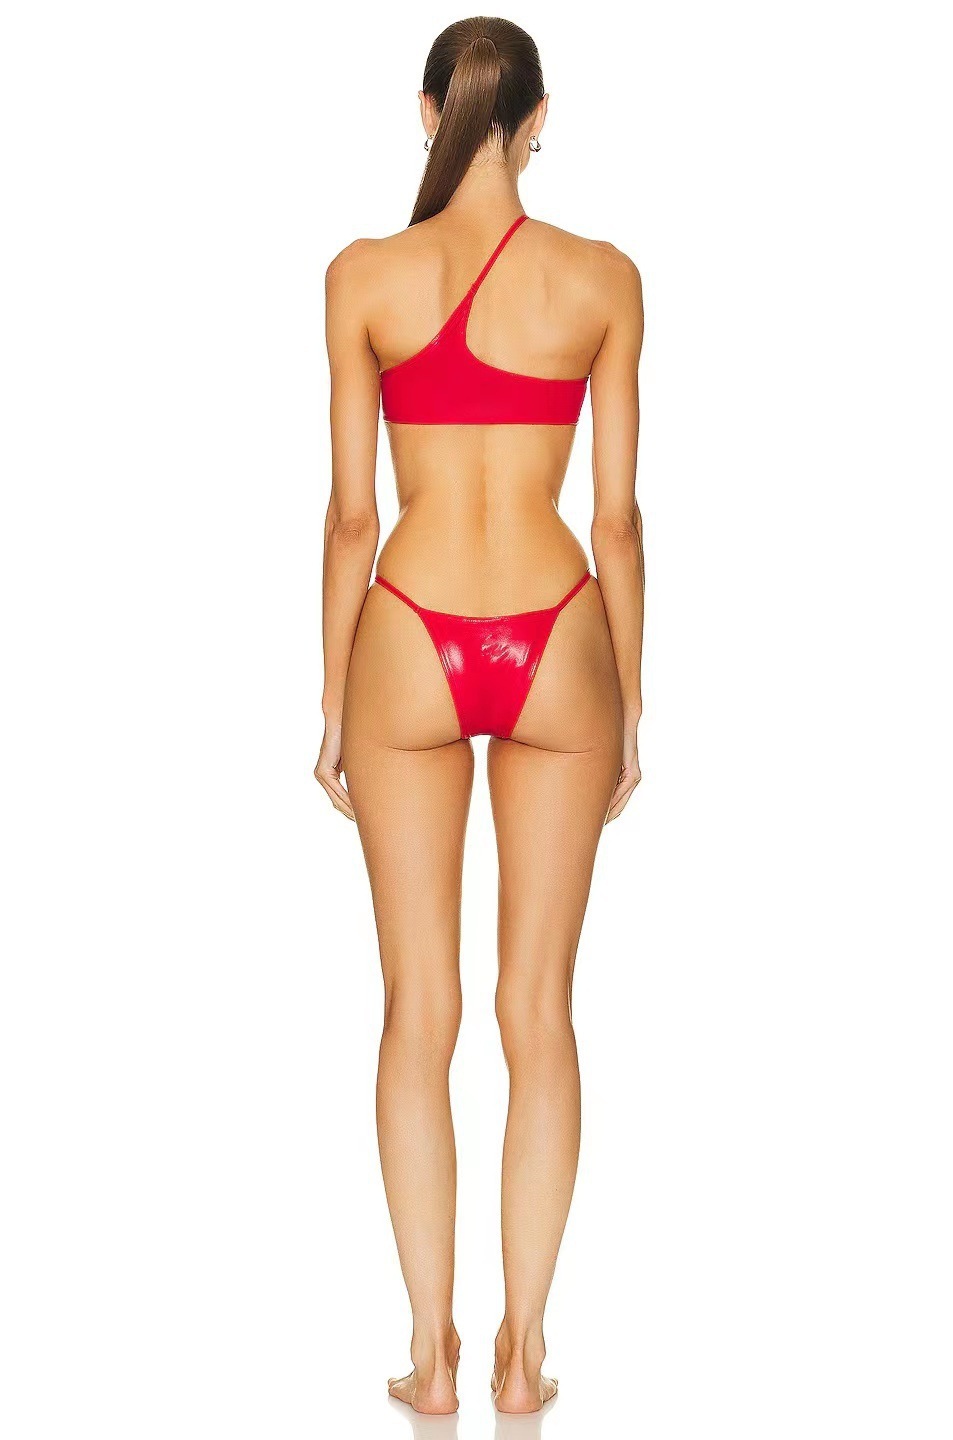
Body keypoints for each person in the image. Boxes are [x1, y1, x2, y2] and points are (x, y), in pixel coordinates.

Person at [315, 16, 644, 1416]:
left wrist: (331, 694)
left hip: (407, 631)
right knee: (538, 1010)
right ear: (542, 117)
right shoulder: (603, 279)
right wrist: (632, 702)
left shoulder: (364, 276)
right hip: (561, 633)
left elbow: (351, 516)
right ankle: (524, 1350)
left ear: (425, 111)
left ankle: (431, 1350)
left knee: (419, 1008)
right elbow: (616, 521)